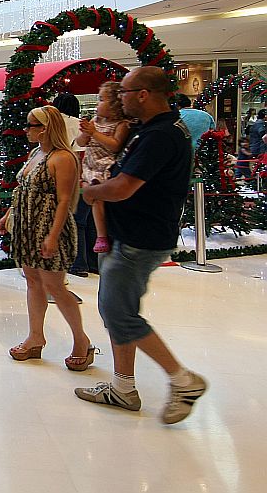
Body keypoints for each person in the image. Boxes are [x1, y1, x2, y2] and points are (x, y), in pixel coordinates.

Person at [76, 67, 207, 424]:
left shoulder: (160, 136)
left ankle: (183, 380)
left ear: (144, 94)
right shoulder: (150, 130)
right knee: (116, 310)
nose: (119, 98)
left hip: (139, 238)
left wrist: (90, 192)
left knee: (119, 313)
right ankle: (123, 387)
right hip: (128, 234)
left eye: (125, 92)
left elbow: (121, 188)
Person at [0, 106, 94, 371]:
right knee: (33, 282)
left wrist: (52, 235)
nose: (26, 130)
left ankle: (81, 340)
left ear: (46, 127)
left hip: (50, 226)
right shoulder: (35, 154)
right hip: (27, 226)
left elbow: (64, 200)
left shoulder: (63, 157)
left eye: (31, 125)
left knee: (56, 287)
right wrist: (8, 215)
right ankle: (36, 336)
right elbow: (22, 190)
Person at [75, 82, 131, 261]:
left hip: (104, 165)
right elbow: (81, 142)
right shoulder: (95, 121)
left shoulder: (121, 125)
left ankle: (101, 235)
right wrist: (86, 133)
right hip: (89, 165)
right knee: (90, 201)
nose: (97, 104)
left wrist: (94, 133)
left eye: (101, 99)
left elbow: (115, 146)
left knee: (98, 199)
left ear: (115, 104)